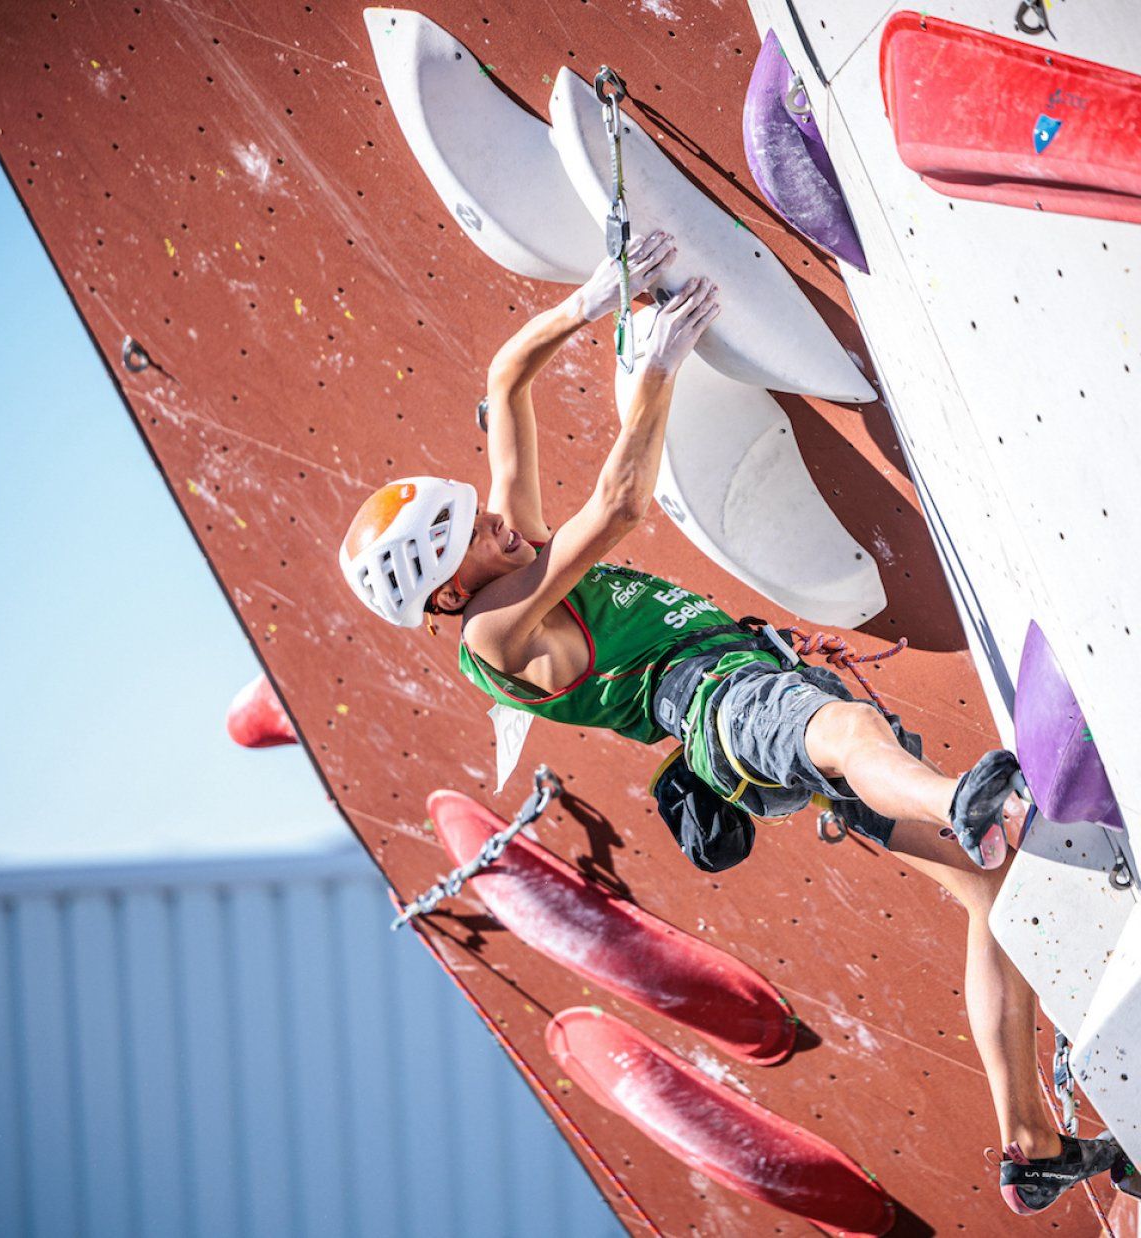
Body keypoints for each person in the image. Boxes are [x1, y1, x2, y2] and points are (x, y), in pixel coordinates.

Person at [339, 230, 1120, 1213]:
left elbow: (506, 377)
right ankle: (956, 798)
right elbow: (621, 506)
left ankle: (1029, 1142)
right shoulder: (498, 628)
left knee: (991, 889)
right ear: (447, 595)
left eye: (475, 510)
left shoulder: (504, 552)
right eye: (467, 535)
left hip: (736, 684)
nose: (494, 519)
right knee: (837, 735)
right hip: (710, 702)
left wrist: (586, 301)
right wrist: (656, 363)